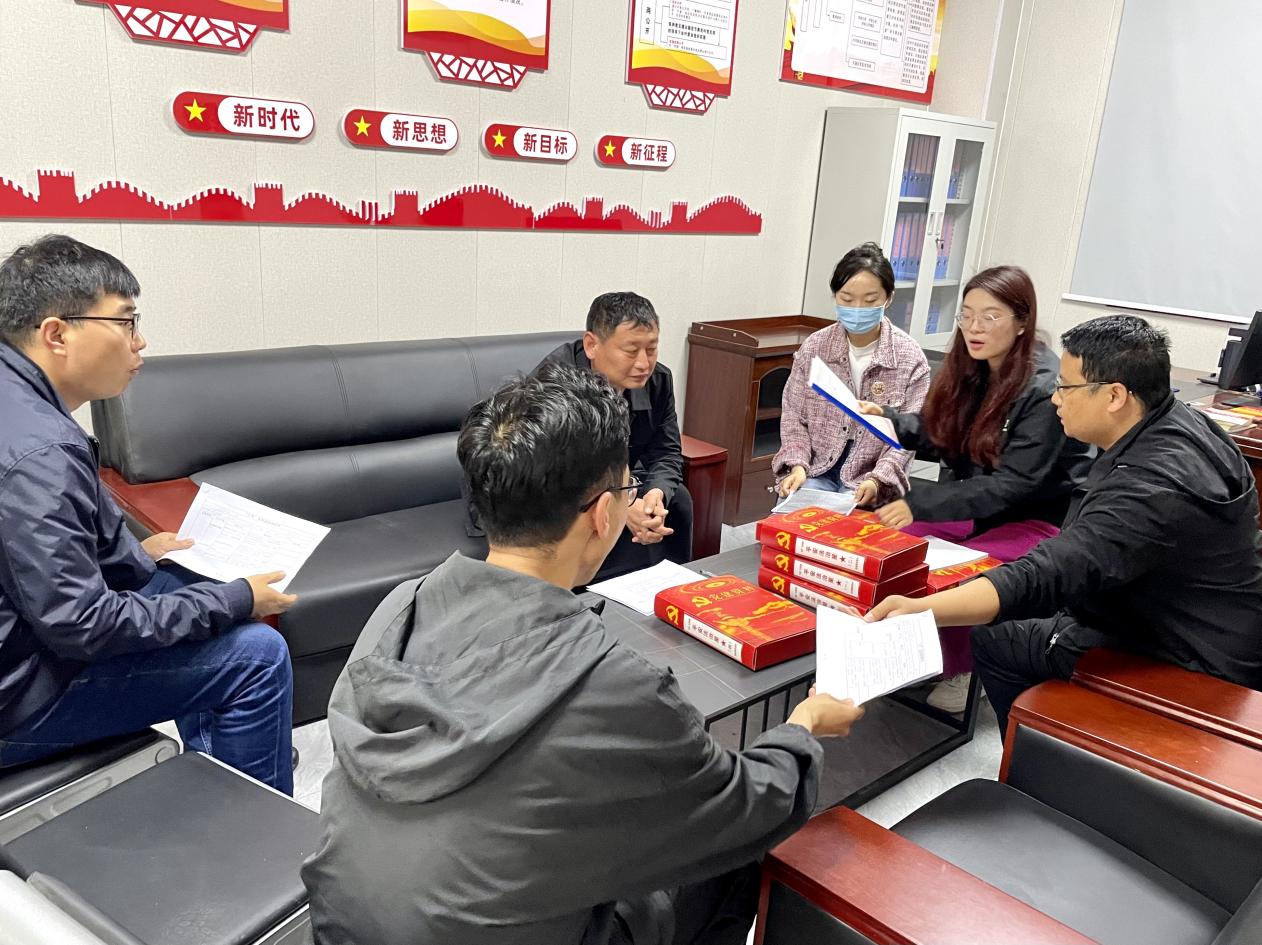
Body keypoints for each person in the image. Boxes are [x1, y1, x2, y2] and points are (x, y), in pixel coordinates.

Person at [303, 363, 864, 945]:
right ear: (602, 514)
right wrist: (802, 729)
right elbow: (750, 805)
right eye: (626, 488)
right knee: (730, 856)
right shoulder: (619, 684)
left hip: (342, 925)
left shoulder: (398, 608)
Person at [0, 235, 297, 793]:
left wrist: (137, 553)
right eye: (125, 321)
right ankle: (258, 829)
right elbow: (81, 625)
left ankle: (227, 758)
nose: (140, 342)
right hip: (19, 697)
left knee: (184, 580)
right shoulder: (39, 451)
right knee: (256, 656)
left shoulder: (18, 404)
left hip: (25, 644)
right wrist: (238, 599)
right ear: (56, 334)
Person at [868, 315, 1262, 734]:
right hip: (1200, 619)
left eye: (1065, 387)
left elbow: (1049, 573)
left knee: (999, 637)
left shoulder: (1152, 488)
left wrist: (923, 610)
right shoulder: (1176, 422)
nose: (1055, 399)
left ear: (1114, 396)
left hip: (1183, 652)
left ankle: (1035, 755)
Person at [860, 265, 1092, 713]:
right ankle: (912, 653)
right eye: (966, 315)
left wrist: (921, 501)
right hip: (975, 504)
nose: (974, 327)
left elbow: (1014, 485)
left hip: (1032, 517)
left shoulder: (1043, 387)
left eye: (990, 316)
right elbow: (943, 435)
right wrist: (889, 419)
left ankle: (968, 667)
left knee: (965, 576)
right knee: (893, 548)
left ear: (1022, 322)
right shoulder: (973, 368)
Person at [537, 291, 692, 580]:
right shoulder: (555, 386)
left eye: (652, 349)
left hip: (619, 479)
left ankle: (667, 588)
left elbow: (667, 451)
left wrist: (654, 495)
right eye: (631, 351)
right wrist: (622, 506)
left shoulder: (658, 381)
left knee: (676, 500)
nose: (644, 363)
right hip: (553, 486)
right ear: (592, 345)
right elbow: (553, 473)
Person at [774, 242, 930, 506]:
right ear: (835, 296)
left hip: (869, 477)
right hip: (815, 468)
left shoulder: (909, 359)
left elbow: (908, 436)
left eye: (870, 301)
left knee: (847, 526)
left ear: (888, 298)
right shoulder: (815, 348)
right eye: (847, 299)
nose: (857, 308)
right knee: (790, 518)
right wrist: (797, 465)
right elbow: (793, 416)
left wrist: (878, 480)